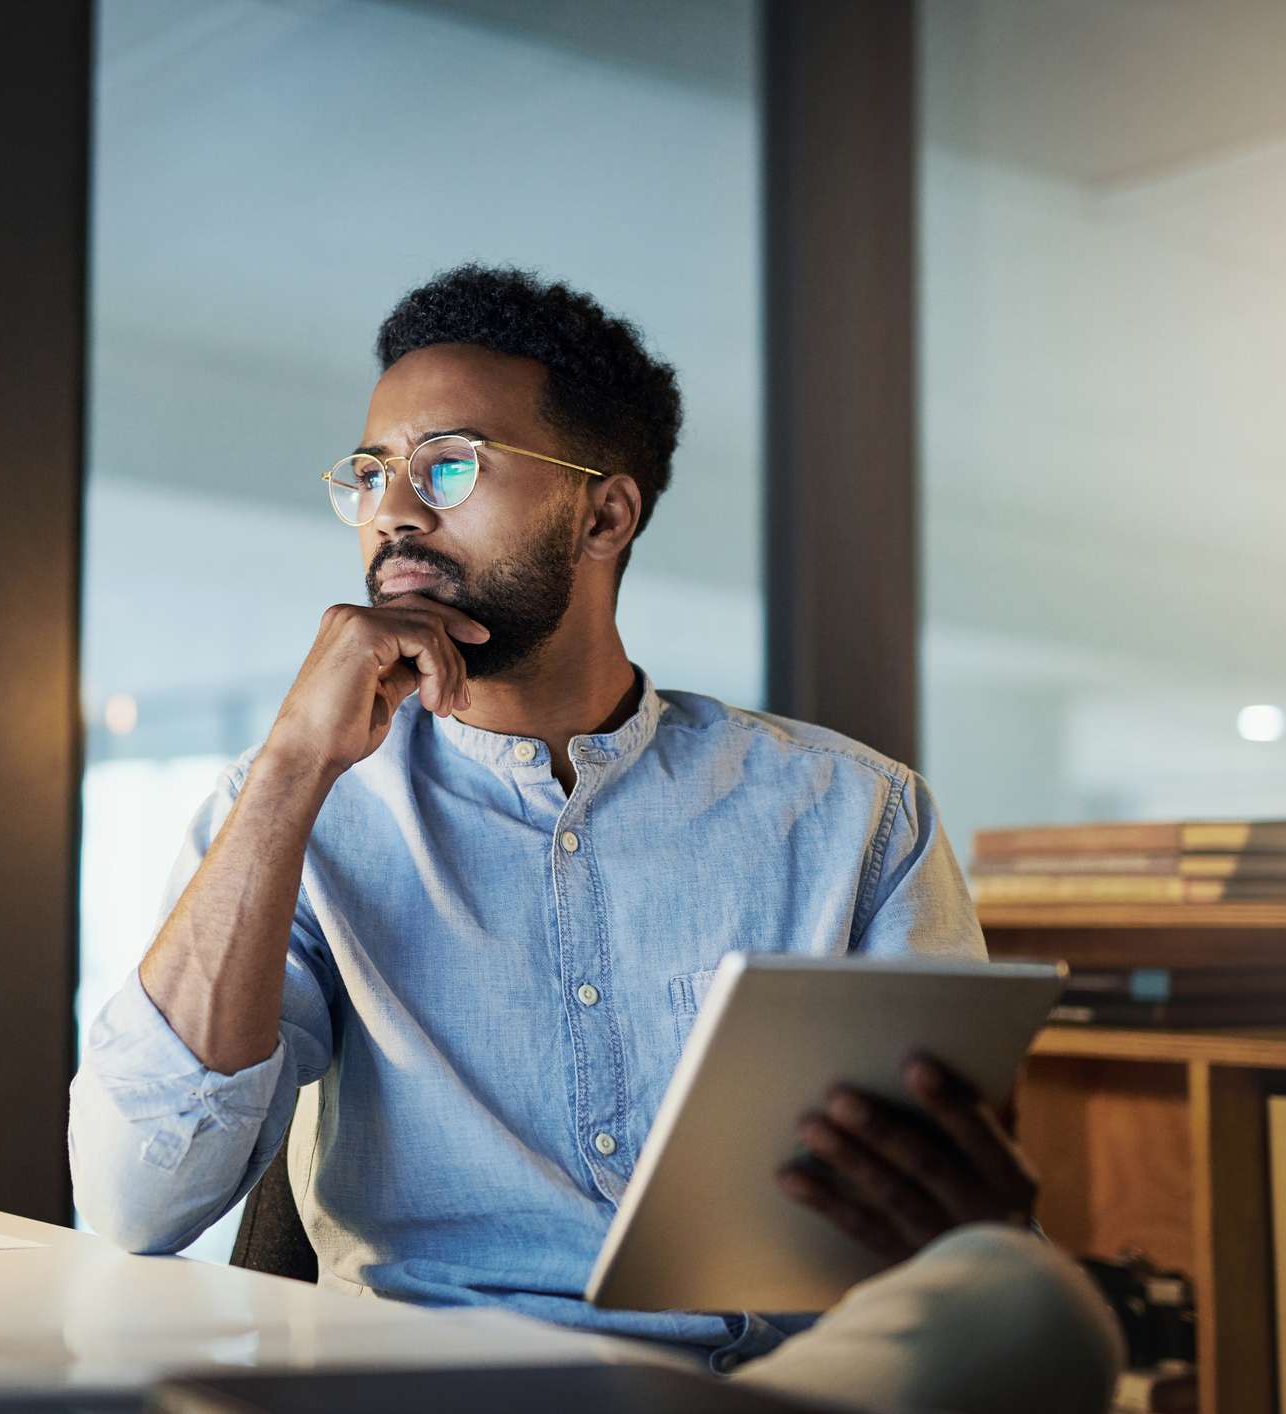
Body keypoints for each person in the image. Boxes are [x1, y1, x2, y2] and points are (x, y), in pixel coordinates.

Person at [69, 265, 1122, 1413]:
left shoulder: (854, 813)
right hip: (442, 1385)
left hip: (776, 1378)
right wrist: (285, 771)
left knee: (1041, 1306)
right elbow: (136, 1198)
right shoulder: (303, 804)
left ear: (605, 514)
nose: (394, 511)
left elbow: (950, 1236)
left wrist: (971, 1226)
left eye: (449, 465)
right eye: (371, 473)